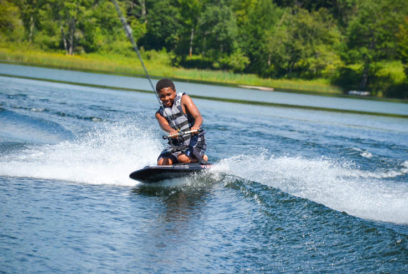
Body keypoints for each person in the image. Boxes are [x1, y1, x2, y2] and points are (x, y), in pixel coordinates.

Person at [155, 78, 208, 165]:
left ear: (174, 92)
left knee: (182, 158)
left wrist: (196, 126)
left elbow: (198, 117)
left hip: (194, 140)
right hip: (178, 144)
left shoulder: (184, 99)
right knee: (161, 162)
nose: (166, 98)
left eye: (169, 94)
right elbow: (164, 124)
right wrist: (171, 131)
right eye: (162, 96)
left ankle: (202, 157)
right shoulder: (159, 113)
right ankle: (177, 168)